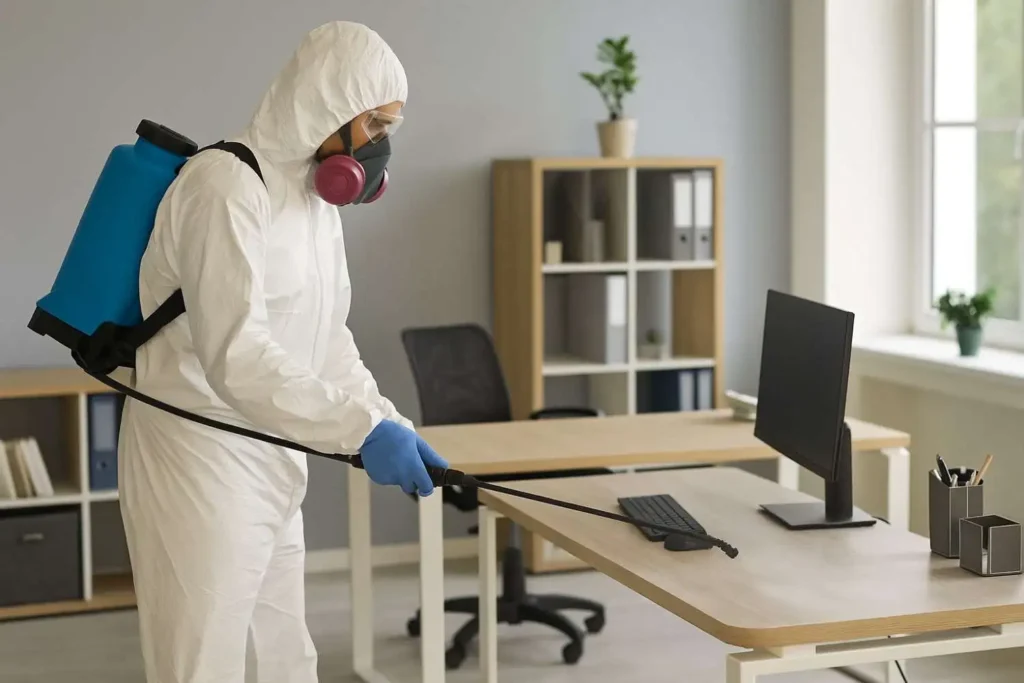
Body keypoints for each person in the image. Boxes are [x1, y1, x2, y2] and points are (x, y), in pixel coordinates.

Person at [117, 20, 445, 683]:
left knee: (285, 656)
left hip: (272, 458)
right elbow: (236, 354)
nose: (383, 145)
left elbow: (327, 340)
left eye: (390, 129)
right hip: (198, 461)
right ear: (329, 102)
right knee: (202, 664)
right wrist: (359, 432)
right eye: (375, 124)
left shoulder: (316, 204)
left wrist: (388, 422)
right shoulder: (226, 185)